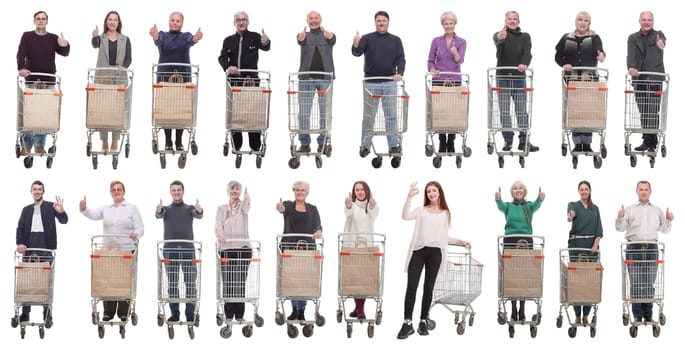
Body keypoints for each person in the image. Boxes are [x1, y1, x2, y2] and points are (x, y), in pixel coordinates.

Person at [397, 181, 471, 339]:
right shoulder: (421, 210)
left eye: (434, 190)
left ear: (439, 192)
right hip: (418, 251)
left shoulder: (445, 213)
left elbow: (443, 236)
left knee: (428, 287)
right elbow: (404, 216)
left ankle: (423, 321)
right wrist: (409, 197)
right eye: (428, 191)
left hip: (435, 253)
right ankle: (407, 323)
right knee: (411, 287)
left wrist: (460, 241)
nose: (431, 193)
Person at [80, 180, 144, 322]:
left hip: (126, 251)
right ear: (110, 192)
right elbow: (94, 214)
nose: (116, 191)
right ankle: (108, 311)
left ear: (124, 191)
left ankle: (123, 311)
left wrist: (136, 234)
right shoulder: (105, 207)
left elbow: (140, 227)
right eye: (114, 189)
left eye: (119, 189)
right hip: (108, 252)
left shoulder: (132, 208)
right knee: (107, 280)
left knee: (124, 280)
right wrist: (84, 208)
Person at [615, 180, 673, 323]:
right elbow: (620, 228)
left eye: (646, 189)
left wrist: (669, 220)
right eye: (641, 189)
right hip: (633, 249)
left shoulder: (657, 210)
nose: (643, 192)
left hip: (652, 249)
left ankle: (648, 314)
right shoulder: (629, 209)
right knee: (635, 283)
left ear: (650, 191)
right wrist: (620, 217)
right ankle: (637, 315)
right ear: (637, 191)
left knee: (649, 283)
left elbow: (664, 230)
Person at [352, 10, 406, 157]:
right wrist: (355, 44)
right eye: (378, 21)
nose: (381, 23)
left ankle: (393, 146)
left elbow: (401, 58)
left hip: (389, 82)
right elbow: (356, 53)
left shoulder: (396, 40)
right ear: (375, 22)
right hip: (371, 83)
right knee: (369, 116)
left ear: (388, 22)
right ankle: (365, 145)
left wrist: (399, 73)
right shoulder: (367, 38)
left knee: (391, 116)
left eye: (384, 20)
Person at [16, 11, 70, 156]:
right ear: (34, 21)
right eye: (38, 19)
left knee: (44, 114)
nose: (41, 21)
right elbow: (21, 53)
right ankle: (26, 146)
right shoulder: (27, 36)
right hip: (32, 79)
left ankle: (39, 145)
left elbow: (64, 53)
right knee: (29, 114)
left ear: (47, 22)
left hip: (49, 81)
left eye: (43, 19)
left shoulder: (53, 38)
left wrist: (65, 45)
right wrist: (21, 68)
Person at [15, 180, 68, 322]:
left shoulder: (51, 206)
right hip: (29, 249)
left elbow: (64, 221)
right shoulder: (26, 209)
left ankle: (47, 311)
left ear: (43, 192)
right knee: (27, 281)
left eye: (40, 189)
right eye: (35, 189)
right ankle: (25, 313)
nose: (37, 191)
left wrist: (61, 212)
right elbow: (20, 228)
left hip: (46, 249)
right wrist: (20, 243)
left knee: (46, 282)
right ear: (31, 192)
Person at [150, 11, 203, 152]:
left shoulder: (185, 36)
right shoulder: (162, 35)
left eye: (178, 21)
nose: (175, 22)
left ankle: (179, 141)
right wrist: (154, 36)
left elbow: (191, 40)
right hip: (164, 77)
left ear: (182, 23)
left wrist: (196, 38)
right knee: (167, 108)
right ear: (169, 22)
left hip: (183, 77)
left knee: (181, 108)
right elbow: (158, 41)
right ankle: (168, 141)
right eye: (172, 20)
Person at [219, 11, 270, 152]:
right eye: (238, 20)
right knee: (235, 113)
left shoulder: (255, 37)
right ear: (234, 23)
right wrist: (228, 67)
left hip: (251, 81)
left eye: (244, 20)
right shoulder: (228, 40)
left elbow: (266, 47)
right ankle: (237, 145)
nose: (241, 22)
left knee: (253, 112)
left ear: (248, 22)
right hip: (234, 82)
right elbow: (222, 58)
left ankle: (255, 145)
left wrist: (265, 41)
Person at [555, 11, 606, 153]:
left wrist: (601, 55)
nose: (582, 23)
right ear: (575, 21)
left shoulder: (594, 38)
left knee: (587, 111)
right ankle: (577, 143)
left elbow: (601, 54)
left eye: (586, 21)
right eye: (580, 20)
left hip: (589, 80)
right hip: (572, 81)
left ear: (589, 24)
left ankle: (587, 144)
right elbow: (558, 56)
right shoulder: (566, 38)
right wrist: (564, 64)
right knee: (575, 111)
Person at [495, 181, 545, 322]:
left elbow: (536, 205)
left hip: (526, 240)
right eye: (515, 189)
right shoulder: (508, 206)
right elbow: (500, 206)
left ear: (525, 191)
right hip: (510, 239)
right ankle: (513, 310)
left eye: (521, 188)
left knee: (523, 274)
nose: (518, 190)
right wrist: (498, 198)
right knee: (511, 274)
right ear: (512, 193)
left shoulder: (528, 206)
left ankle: (522, 309)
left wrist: (540, 198)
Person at [155, 180, 203, 323]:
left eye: (179, 190)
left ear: (183, 191)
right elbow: (159, 214)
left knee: (190, 283)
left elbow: (198, 214)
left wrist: (199, 210)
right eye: (174, 190)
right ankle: (175, 314)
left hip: (188, 251)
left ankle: (190, 314)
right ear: (170, 192)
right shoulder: (166, 209)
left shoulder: (189, 208)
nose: (176, 192)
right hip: (170, 251)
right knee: (173, 283)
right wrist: (158, 210)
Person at [275, 180, 322, 321]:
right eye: (297, 190)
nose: (299, 192)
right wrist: (280, 207)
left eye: (302, 190)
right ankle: (294, 309)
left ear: (307, 193)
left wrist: (318, 232)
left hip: (307, 250)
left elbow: (318, 225)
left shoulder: (313, 209)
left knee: (304, 280)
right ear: (293, 191)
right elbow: (282, 209)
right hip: (290, 249)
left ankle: (301, 311)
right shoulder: (289, 205)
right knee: (292, 279)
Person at [493, 11, 538, 152]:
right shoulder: (500, 34)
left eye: (514, 19)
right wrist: (501, 37)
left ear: (518, 21)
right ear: (505, 21)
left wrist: (524, 63)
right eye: (509, 19)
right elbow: (498, 40)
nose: (512, 21)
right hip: (503, 77)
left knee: (522, 111)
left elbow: (527, 52)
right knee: (505, 111)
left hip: (519, 78)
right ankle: (508, 141)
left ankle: (524, 141)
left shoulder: (525, 36)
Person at [91, 10, 133, 152]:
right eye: (110, 19)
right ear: (106, 22)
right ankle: (104, 141)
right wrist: (94, 36)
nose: (112, 22)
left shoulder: (125, 39)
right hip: (103, 75)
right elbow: (94, 44)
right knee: (103, 108)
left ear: (118, 23)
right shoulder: (101, 38)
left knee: (117, 108)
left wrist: (124, 67)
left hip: (119, 75)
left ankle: (115, 140)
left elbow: (129, 58)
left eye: (115, 20)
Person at [296, 10, 335, 153]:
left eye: (316, 18)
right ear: (307, 21)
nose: (313, 20)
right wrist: (300, 38)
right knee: (304, 113)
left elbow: (333, 40)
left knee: (325, 112)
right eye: (311, 18)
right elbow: (299, 40)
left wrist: (330, 37)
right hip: (306, 79)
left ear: (321, 19)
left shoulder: (328, 35)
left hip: (325, 78)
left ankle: (323, 142)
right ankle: (304, 143)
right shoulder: (303, 35)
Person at [627, 11, 667, 152]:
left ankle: (652, 142)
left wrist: (660, 43)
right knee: (643, 111)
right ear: (639, 21)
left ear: (653, 21)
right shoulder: (632, 38)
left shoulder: (658, 34)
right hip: (640, 79)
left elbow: (662, 45)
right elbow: (630, 55)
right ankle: (646, 140)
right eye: (644, 19)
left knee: (653, 110)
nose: (646, 22)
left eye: (649, 20)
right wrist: (631, 67)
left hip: (655, 79)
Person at [427, 11, 466, 153]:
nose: (449, 26)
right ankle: (442, 142)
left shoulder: (461, 41)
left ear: (455, 24)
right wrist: (432, 68)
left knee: (453, 112)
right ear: (442, 25)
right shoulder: (436, 41)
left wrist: (455, 52)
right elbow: (431, 59)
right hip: (439, 80)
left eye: (451, 23)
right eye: (446, 23)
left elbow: (459, 60)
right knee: (440, 112)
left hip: (454, 80)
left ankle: (451, 142)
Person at [566, 180, 603, 325]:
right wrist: (570, 216)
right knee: (576, 278)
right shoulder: (573, 205)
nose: (584, 191)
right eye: (581, 189)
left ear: (590, 191)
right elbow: (571, 214)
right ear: (578, 191)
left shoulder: (595, 209)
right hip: (576, 245)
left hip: (591, 247)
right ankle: (576, 314)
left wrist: (595, 245)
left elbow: (599, 230)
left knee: (589, 280)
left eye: (586, 189)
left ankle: (586, 314)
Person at [215, 181, 251, 322]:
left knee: (240, 282)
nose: (234, 191)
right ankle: (229, 315)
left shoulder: (243, 206)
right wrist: (220, 236)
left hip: (243, 248)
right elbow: (218, 224)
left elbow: (247, 208)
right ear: (227, 191)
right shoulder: (221, 208)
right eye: (232, 189)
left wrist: (247, 199)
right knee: (228, 282)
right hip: (226, 248)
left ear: (240, 192)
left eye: (237, 189)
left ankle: (240, 315)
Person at [343, 180, 379, 319]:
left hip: (367, 247)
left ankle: (360, 309)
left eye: (362, 189)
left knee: (363, 277)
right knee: (353, 277)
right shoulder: (351, 205)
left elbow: (374, 213)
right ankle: (357, 308)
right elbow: (348, 213)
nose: (360, 192)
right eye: (357, 189)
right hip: (351, 246)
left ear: (367, 191)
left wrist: (372, 205)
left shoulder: (371, 206)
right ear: (354, 193)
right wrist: (347, 205)